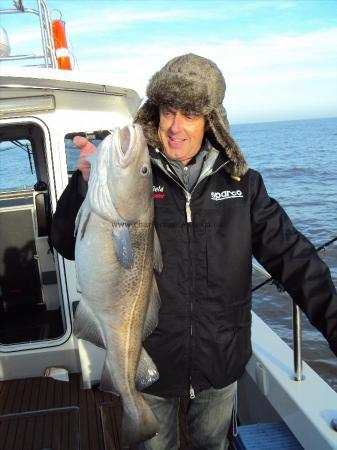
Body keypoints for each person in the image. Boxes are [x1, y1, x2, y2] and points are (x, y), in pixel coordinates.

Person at [51, 54, 337, 450]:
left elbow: (296, 259)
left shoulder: (244, 186)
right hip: (150, 360)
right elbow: (65, 243)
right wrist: (82, 185)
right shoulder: (130, 177)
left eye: (189, 114)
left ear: (210, 120)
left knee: (212, 445)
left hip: (220, 363)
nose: (175, 127)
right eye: (168, 111)